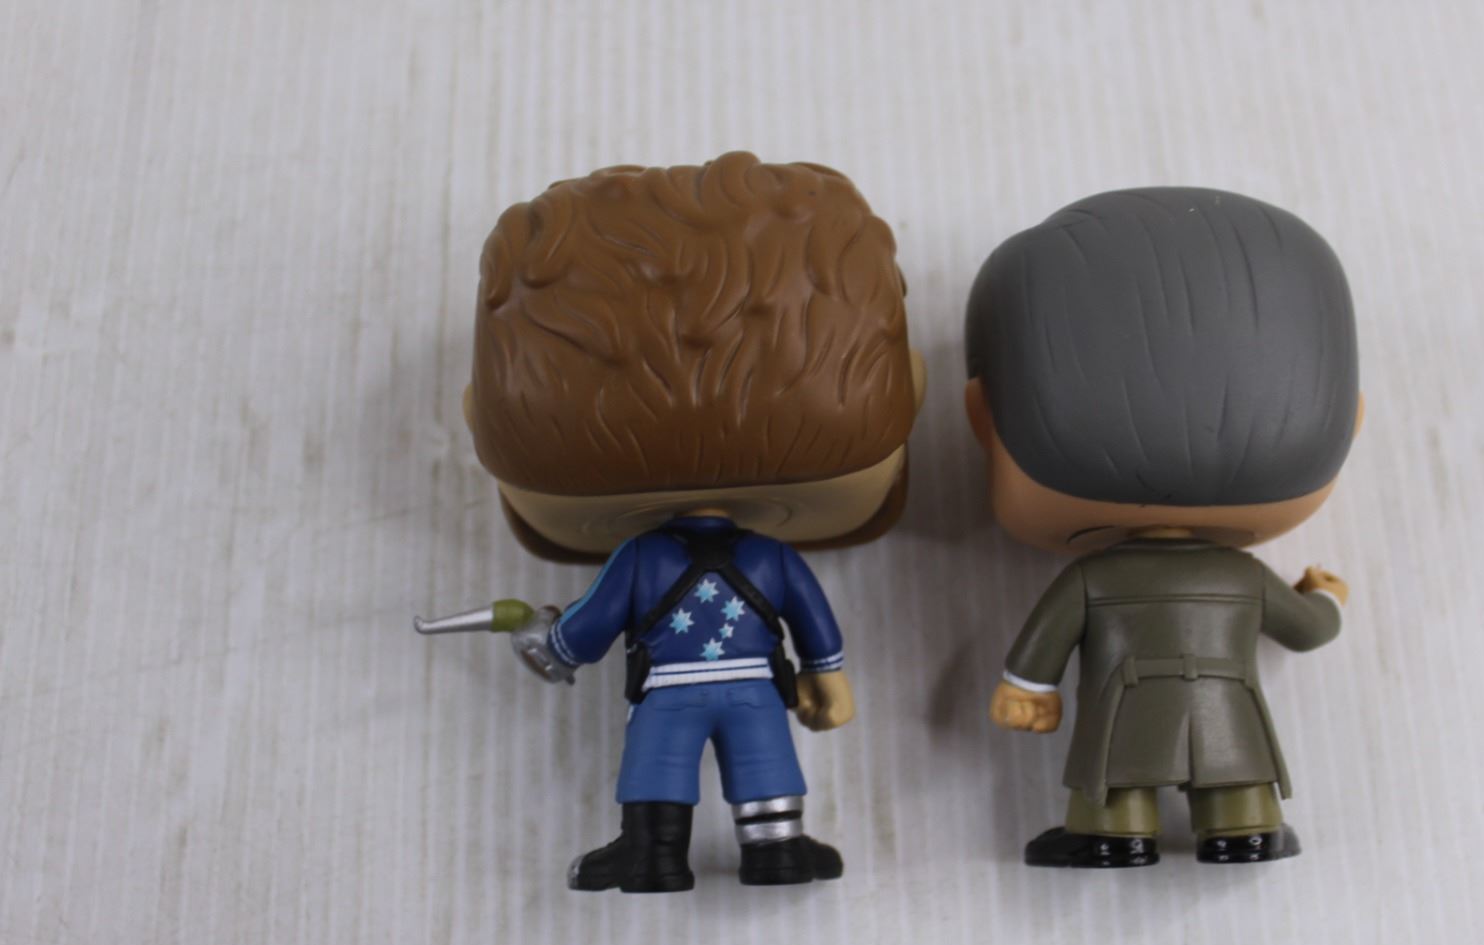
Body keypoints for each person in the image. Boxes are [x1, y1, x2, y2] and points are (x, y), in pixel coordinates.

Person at [462, 152, 922, 891]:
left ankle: (652, 854)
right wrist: (826, 675)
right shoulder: (770, 555)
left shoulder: (641, 557)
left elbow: (592, 624)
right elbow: (811, 614)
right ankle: (775, 849)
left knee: (658, 763)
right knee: (764, 760)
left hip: (671, 687)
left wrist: (552, 643)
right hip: (752, 686)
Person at [964, 187, 1359, 867]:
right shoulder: (1241, 574)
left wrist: (1026, 688)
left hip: (1127, 696)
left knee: (1116, 766)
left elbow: (1046, 637)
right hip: (1224, 696)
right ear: (1351, 420)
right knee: (1233, 763)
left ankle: (1112, 833)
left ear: (983, 420)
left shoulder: (1093, 577)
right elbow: (1308, 631)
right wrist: (1326, 595)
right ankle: (1245, 826)